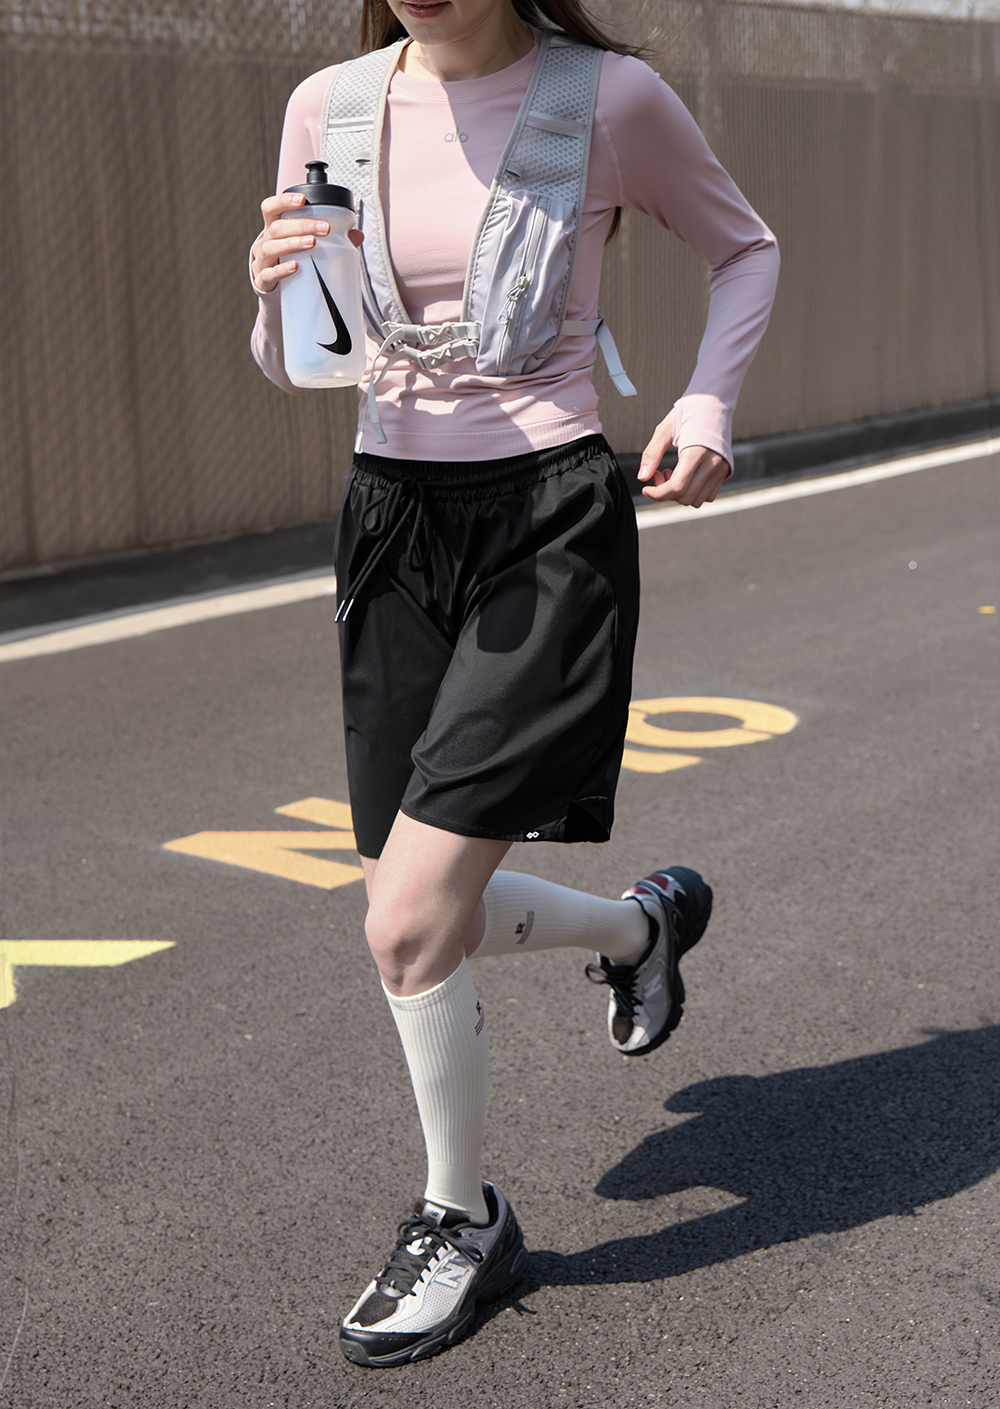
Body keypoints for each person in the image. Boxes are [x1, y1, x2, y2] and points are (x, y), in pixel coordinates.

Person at [249, 0, 778, 1369]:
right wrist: (275, 288)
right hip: (390, 521)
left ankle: (462, 1218)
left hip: (546, 521)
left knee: (406, 921)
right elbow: (301, 360)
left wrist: (709, 398)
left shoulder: (607, 99)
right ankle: (638, 932)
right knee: (425, 906)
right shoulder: (328, 107)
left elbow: (745, 248)